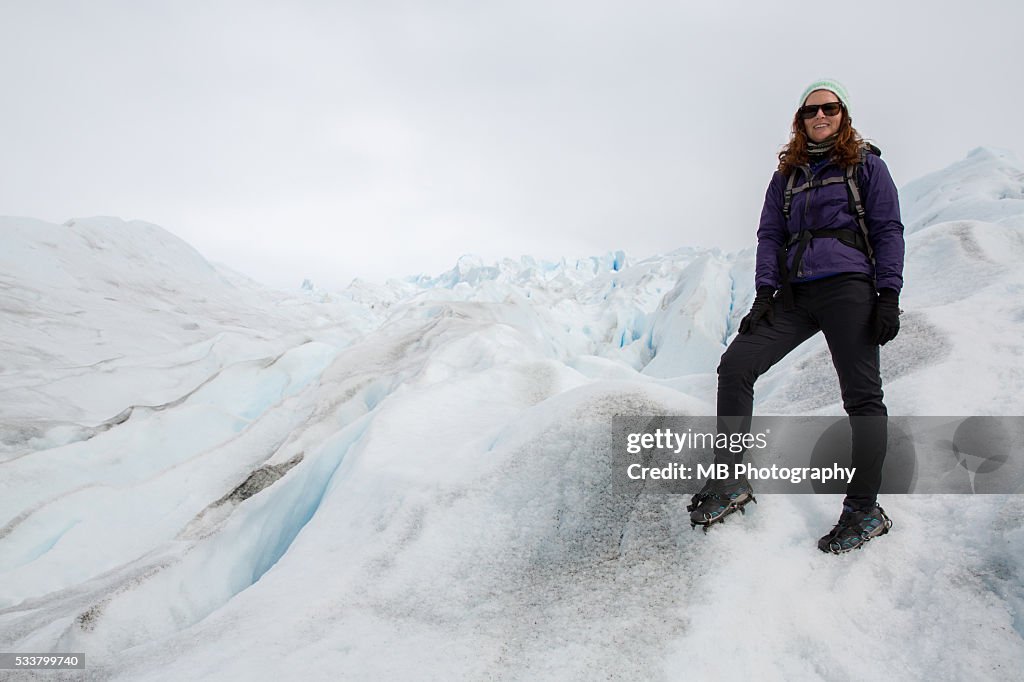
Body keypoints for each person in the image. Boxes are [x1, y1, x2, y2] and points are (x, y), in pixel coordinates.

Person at [687, 79, 905, 553]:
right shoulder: (787, 175)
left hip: (849, 289)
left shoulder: (866, 166)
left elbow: (888, 229)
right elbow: (770, 234)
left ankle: (864, 509)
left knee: (863, 399)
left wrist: (888, 293)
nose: (820, 116)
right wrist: (765, 293)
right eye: (811, 111)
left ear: (843, 114)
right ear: (800, 120)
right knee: (736, 365)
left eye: (829, 108)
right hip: (795, 293)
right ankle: (730, 480)